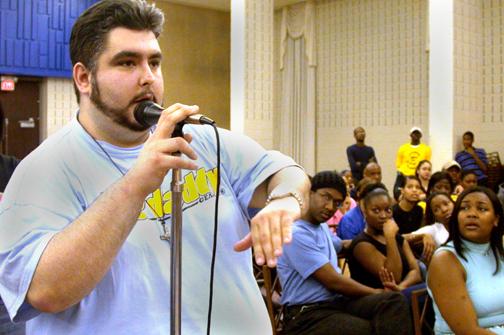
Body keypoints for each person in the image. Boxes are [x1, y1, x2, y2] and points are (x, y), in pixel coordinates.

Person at [0, 1, 310, 334]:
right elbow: (45, 292)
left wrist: (284, 203)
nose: (147, 77)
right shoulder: (42, 172)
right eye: (127, 63)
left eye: (154, 62)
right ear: (84, 78)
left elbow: (289, 174)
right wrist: (136, 184)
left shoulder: (205, 141)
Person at [277, 171, 412, 335]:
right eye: (326, 197)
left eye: (337, 203)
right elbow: (333, 281)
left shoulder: (321, 227)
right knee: (367, 329)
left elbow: (344, 245)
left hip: (335, 303)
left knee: (393, 301)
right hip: (306, 315)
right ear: (309, 193)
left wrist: (408, 237)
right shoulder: (295, 233)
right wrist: (376, 292)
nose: (330, 207)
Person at [427, 187, 504, 334]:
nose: (471, 214)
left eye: (481, 209)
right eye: (464, 208)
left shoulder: (499, 252)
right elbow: (467, 331)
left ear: (496, 219)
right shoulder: (445, 260)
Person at [348, 188, 422, 291]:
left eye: (388, 210)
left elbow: (416, 272)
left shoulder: (398, 238)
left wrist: (401, 287)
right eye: (376, 210)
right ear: (364, 212)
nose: (383, 216)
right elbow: (394, 276)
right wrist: (390, 238)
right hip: (377, 301)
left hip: (402, 292)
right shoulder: (362, 244)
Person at [405, 192, 454, 265]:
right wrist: (423, 236)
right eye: (436, 209)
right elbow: (400, 238)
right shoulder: (435, 229)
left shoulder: (466, 223)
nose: (444, 210)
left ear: (454, 203)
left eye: (446, 204)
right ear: (434, 216)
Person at [394, 127, 432, 200]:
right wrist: (401, 172)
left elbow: (426, 162)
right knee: (398, 193)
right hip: (404, 175)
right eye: (414, 133)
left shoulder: (426, 149)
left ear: (421, 135)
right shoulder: (403, 148)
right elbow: (399, 163)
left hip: (418, 176)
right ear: (410, 135)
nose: (416, 135)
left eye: (418, 133)